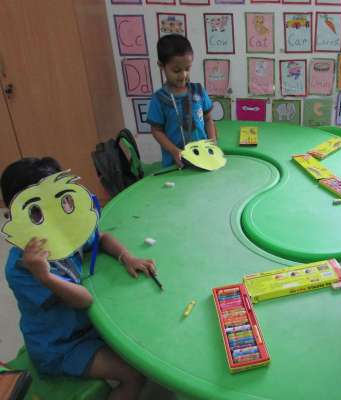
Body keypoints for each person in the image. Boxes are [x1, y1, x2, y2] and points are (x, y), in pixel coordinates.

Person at [2, 157, 156, 400]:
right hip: (60, 346)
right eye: (38, 210)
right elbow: (83, 300)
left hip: (89, 325)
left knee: (144, 339)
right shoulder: (21, 267)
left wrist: (127, 257)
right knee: (134, 374)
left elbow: (101, 238)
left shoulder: (64, 229)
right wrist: (44, 275)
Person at [147, 34, 217, 168]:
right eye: (176, 70)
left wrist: (212, 142)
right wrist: (174, 151)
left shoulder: (198, 91)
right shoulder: (159, 99)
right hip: (176, 163)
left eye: (187, 69)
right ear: (161, 65)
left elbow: (208, 119)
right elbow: (156, 130)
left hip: (203, 159)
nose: (183, 75)